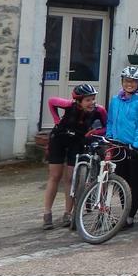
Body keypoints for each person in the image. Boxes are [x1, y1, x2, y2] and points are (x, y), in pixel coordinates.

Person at [41, 83, 106, 229]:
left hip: (77, 142)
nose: (92, 103)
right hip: (59, 139)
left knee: (71, 178)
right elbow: (51, 101)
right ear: (79, 101)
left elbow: (107, 126)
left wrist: (94, 132)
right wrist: (57, 120)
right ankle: (47, 213)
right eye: (88, 100)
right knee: (55, 176)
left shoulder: (99, 110)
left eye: (93, 99)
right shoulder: (68, 105)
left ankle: (67, 213)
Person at [105, 66, 138, 224]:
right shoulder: (115, 100)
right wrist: (109, 137)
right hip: (118, 146)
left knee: (134, 181)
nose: (129, 84)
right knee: (121, 181)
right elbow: (111, 121)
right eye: (126, 81)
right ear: (122, 82)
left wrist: (137, 144)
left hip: (135, 148)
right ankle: (125, 212)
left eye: (133, 81)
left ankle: (130, 216)